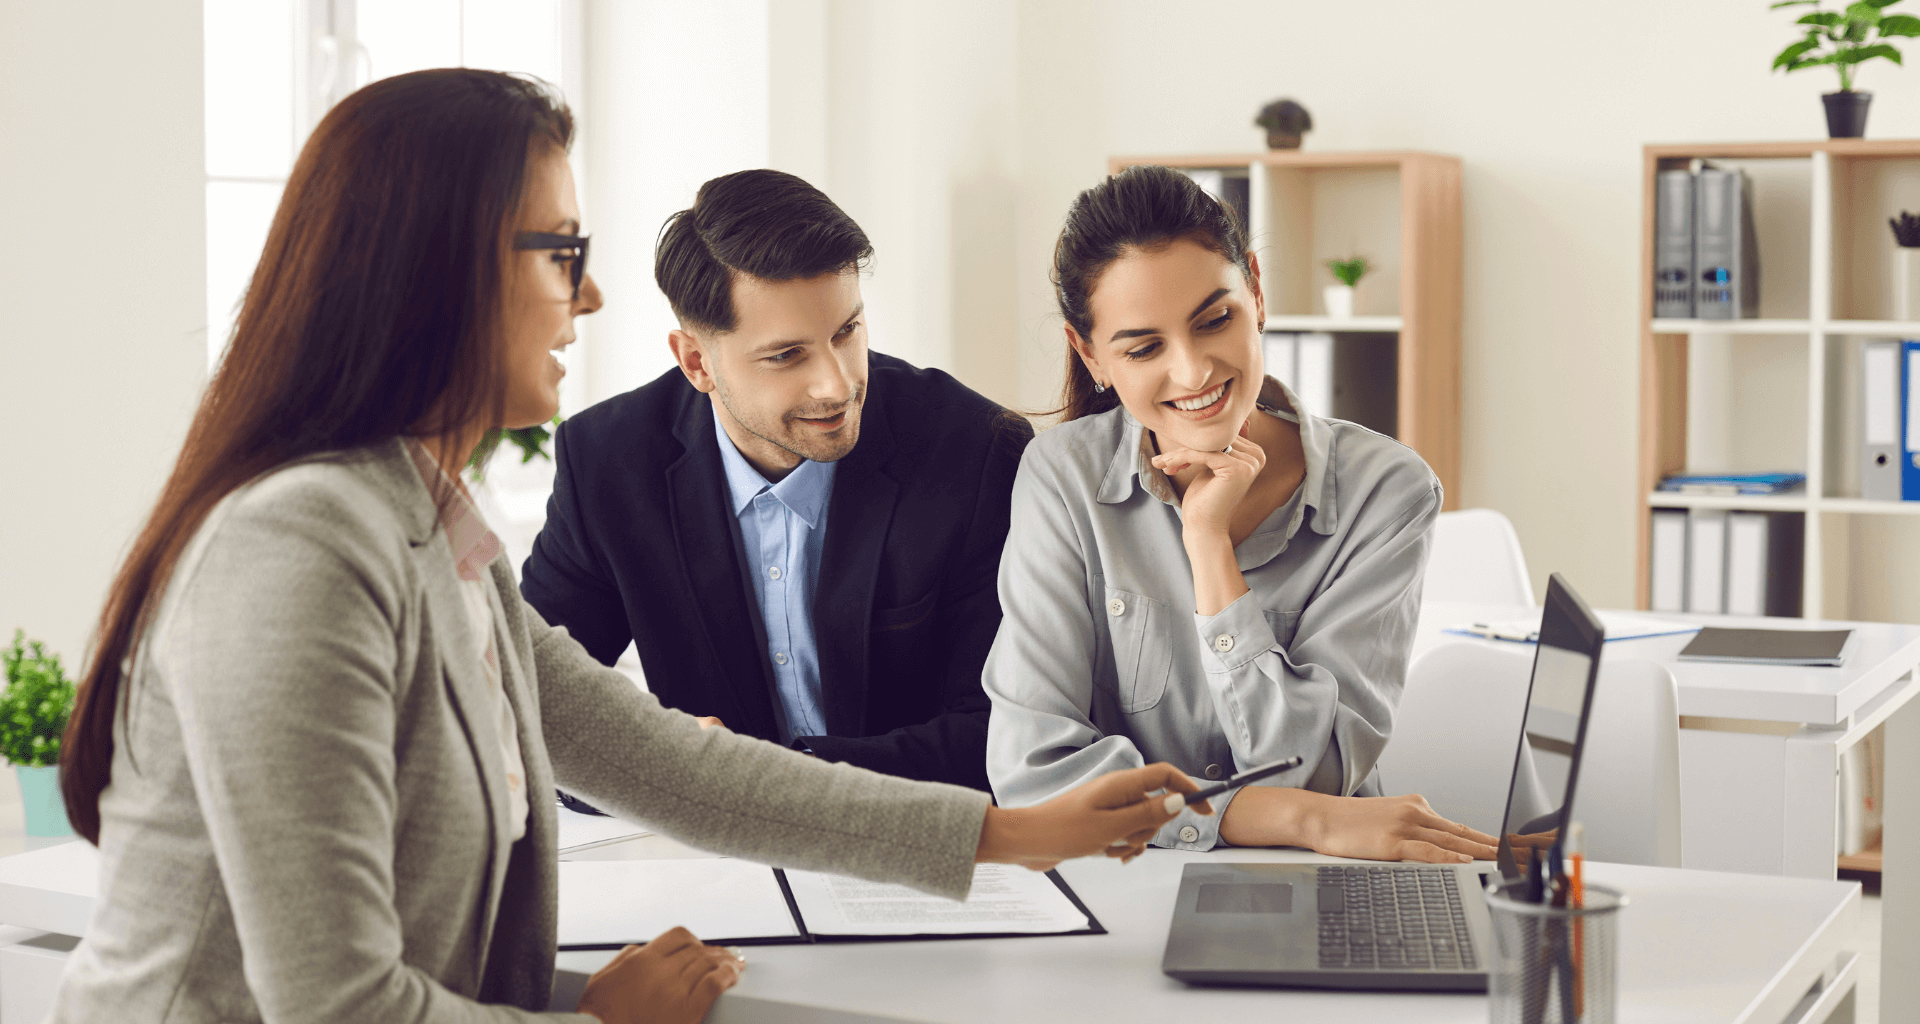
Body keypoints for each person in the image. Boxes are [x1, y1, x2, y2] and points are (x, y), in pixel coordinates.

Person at [51, 70, 1206, 1024]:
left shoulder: (426, 523)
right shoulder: (297, 548)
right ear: (439, 269)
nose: (592, 294)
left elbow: (669, 767)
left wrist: (1008, 833)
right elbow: (339, 1008)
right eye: (562, 252)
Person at [983, 165, 1497, 863]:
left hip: (1320, 880)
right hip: (1126, 883)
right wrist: (1293, 819)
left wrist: (1209, 548)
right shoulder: (1061, 477)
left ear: (1255, 290)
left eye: (1214, 320)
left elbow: (1316, 775)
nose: (1194, 372)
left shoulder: (1386, 490)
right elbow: (1034, 774)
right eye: (1144, 347)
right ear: (1090, 355)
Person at [519, 169, 1028, 791]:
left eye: (847, 331)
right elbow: (527, 706)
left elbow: (1004, 733)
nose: (838, 384)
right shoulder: (607, 463)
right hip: (705, 845)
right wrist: (655, 758)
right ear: (697, 362)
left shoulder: (974, 448)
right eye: (786, 355)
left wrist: (763, 780)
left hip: (926, 834)